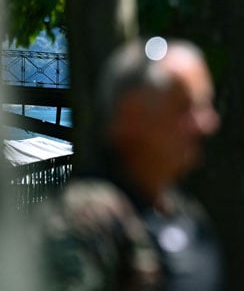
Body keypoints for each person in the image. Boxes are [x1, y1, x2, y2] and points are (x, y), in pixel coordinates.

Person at [37, 38, 223, 290]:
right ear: (131, 115)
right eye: (185, 107)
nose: (208, 124)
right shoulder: (88, 220)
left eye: (206, 106)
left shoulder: (187, 214)